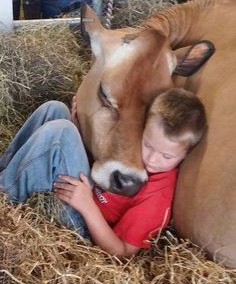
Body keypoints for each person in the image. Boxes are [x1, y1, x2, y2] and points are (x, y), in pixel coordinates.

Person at [0, 88, 207, 257]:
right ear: (144, 129)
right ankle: (5, 168)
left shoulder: (158, 196)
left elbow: (122, 253)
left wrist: (87, 205)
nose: (152, 159)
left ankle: (4, 196)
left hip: (84, 228)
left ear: (185, 154)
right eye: (148, 145)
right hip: (85, 192)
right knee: (55, 109)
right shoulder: (133, 146)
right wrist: (78, 129)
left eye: (166, 156)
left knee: (61, 132)